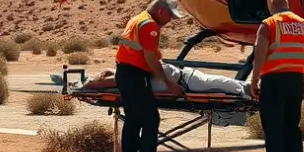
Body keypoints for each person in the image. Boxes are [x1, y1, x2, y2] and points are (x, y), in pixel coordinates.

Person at [113, 0, 185, 152]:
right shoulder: (150, 25)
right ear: (161, 11)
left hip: (124, 73)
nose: (170, 21)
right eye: (170, 16)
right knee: (151, 119)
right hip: (135, 76)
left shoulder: (137, 19)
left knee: (133, 121)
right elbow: (150, 58)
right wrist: (168, 84)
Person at [249, 0, 304, 152]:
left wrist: (254, 79)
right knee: (292, 128)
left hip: (274, 80)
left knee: (274, 129)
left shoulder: (269, 24)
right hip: (295, 79)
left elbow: (260, 53)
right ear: (288, 6)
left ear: (271, 7)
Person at [81, 62, 251, 98]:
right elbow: (96, 83)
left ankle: (249, 89)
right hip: (188, 83)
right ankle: (249, 90)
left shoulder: (129, 71)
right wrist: (87, 84)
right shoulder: (123, 79)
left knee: (225, 83)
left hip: (186, 78)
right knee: (225, 84)